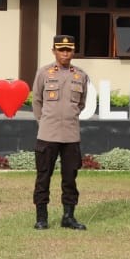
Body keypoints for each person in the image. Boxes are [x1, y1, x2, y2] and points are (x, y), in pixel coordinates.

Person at [30, 33, 90, 230]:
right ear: (54, 51)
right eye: (61, 49)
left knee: (70, 178)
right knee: (43, 176)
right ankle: (41, 217)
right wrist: (46, 121)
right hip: (48, 134)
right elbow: (37, 101)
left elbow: (81, 104)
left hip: (71, 135)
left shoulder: (80, 75)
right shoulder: (44, 73)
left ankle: (68, 216)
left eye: (69, 50)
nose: (65, 53)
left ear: (73, 51)